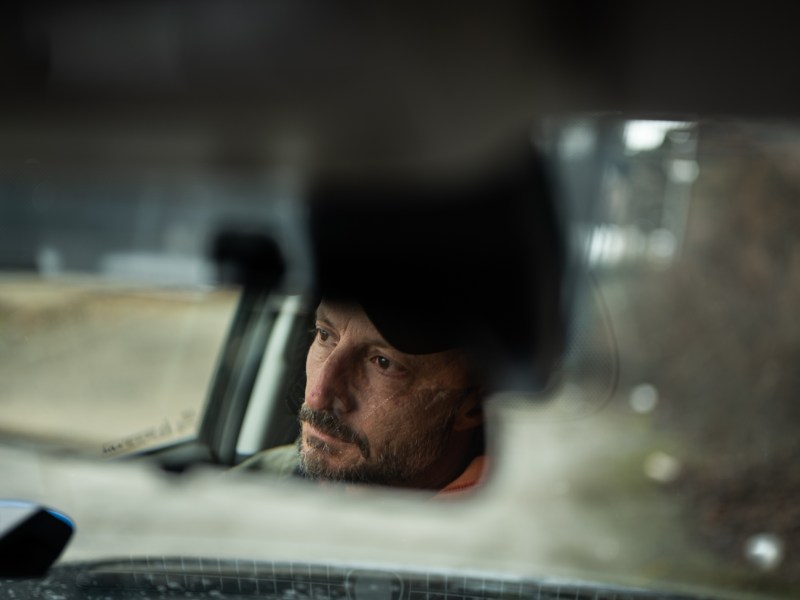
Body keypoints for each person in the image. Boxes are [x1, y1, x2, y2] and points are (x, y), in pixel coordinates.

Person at [237, 298, 487, 497]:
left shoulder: (508, 544)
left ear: (475, 406)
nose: (316, 397)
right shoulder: (248, 491)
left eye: (383, 363)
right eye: (325, 335)